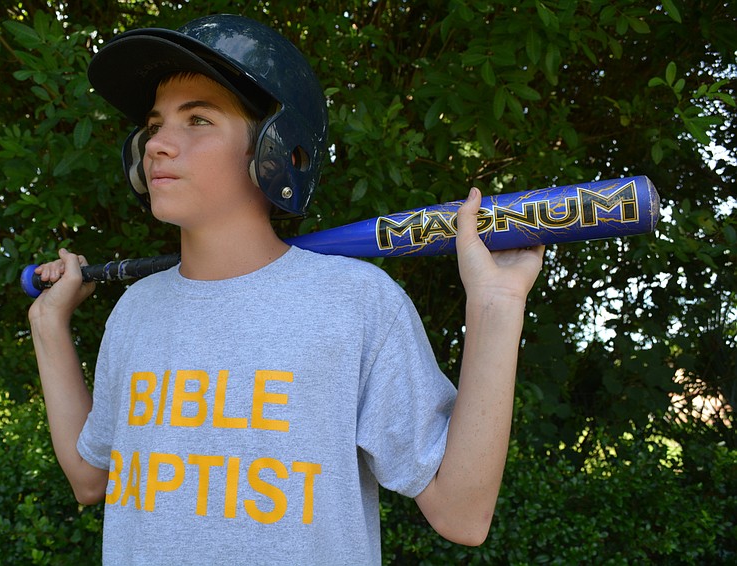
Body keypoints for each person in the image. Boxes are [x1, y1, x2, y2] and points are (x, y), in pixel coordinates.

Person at [28, 14, 544, 565]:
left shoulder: (355, 303)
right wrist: (47, 324)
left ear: (277, 150)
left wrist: (496, 305)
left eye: (198, 119)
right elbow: (90, 478)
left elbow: (462, 514)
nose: (158, 145)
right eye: (154, 125)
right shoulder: (136, 310)